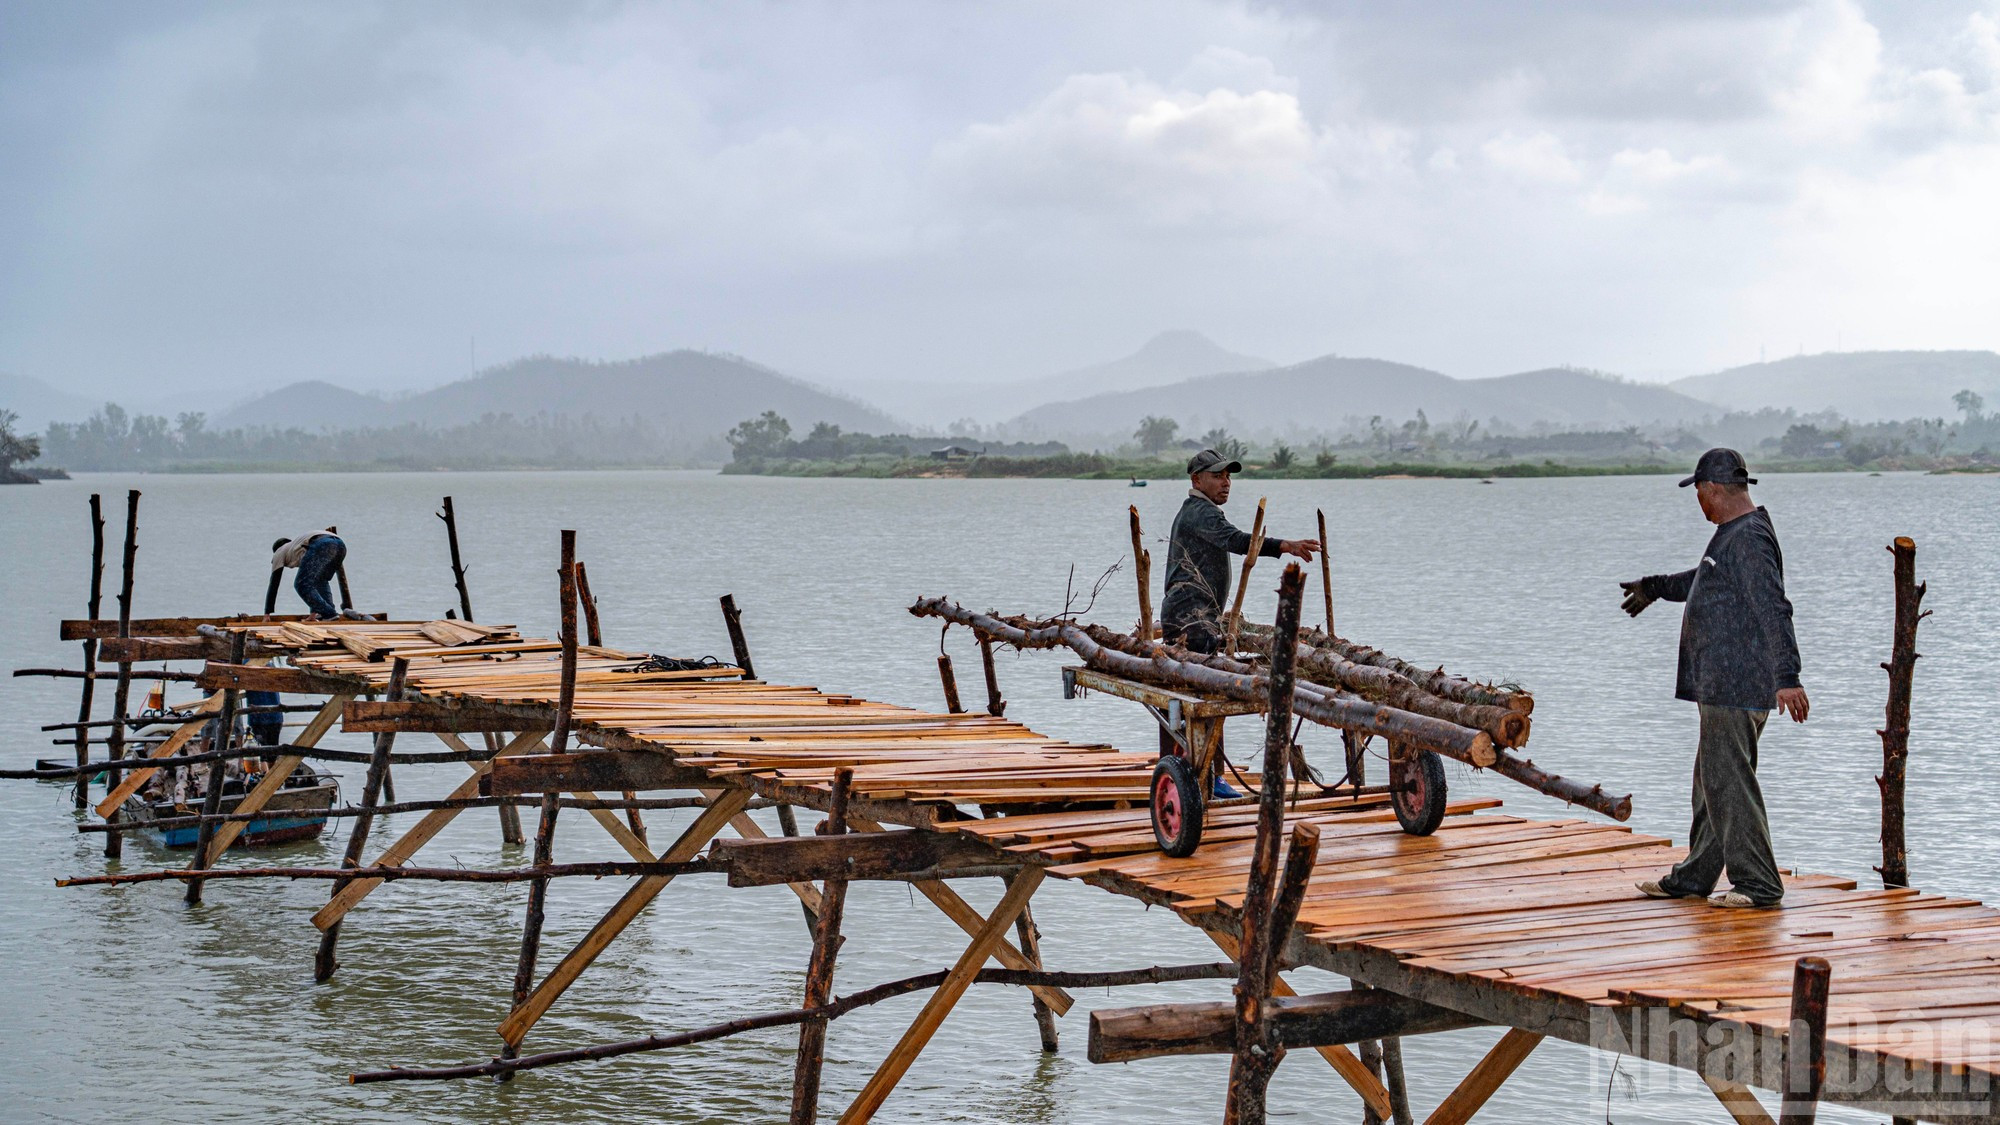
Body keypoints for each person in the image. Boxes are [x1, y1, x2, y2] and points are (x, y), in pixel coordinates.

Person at [1621, 448, 1809, 910]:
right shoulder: (1733, 534)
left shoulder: (1748, 538)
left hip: (1738, 685)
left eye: (1699, 493)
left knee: (1729, 782)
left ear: (1714, 490)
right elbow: (1703, 581)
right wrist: (1654, 587)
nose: (1698, 503)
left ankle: (1759, 885)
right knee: (1711, 781)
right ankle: (1695, 877)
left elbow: (1774, 607)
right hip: (1721, 685)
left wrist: (1788, 676)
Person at [1160, 448, 1321, 653]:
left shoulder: (1197, 508)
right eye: (1217, 476)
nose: (1226, 483)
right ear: (1196, 481)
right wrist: (1286, 546)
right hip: (1190, 620)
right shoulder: (1201, 512)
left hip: (1193, 617)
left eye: (1228, 476)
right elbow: (1237, 540)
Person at [271, 528, 349, 620]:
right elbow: (313, 584)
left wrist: (267, 613)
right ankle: (328, 614)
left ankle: (329, 613)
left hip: (321, 543)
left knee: (301, 584)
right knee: (321, 580)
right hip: (340, 545)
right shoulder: (297, 547)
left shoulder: (279, 551)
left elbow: (274, 584)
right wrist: (313, 614)